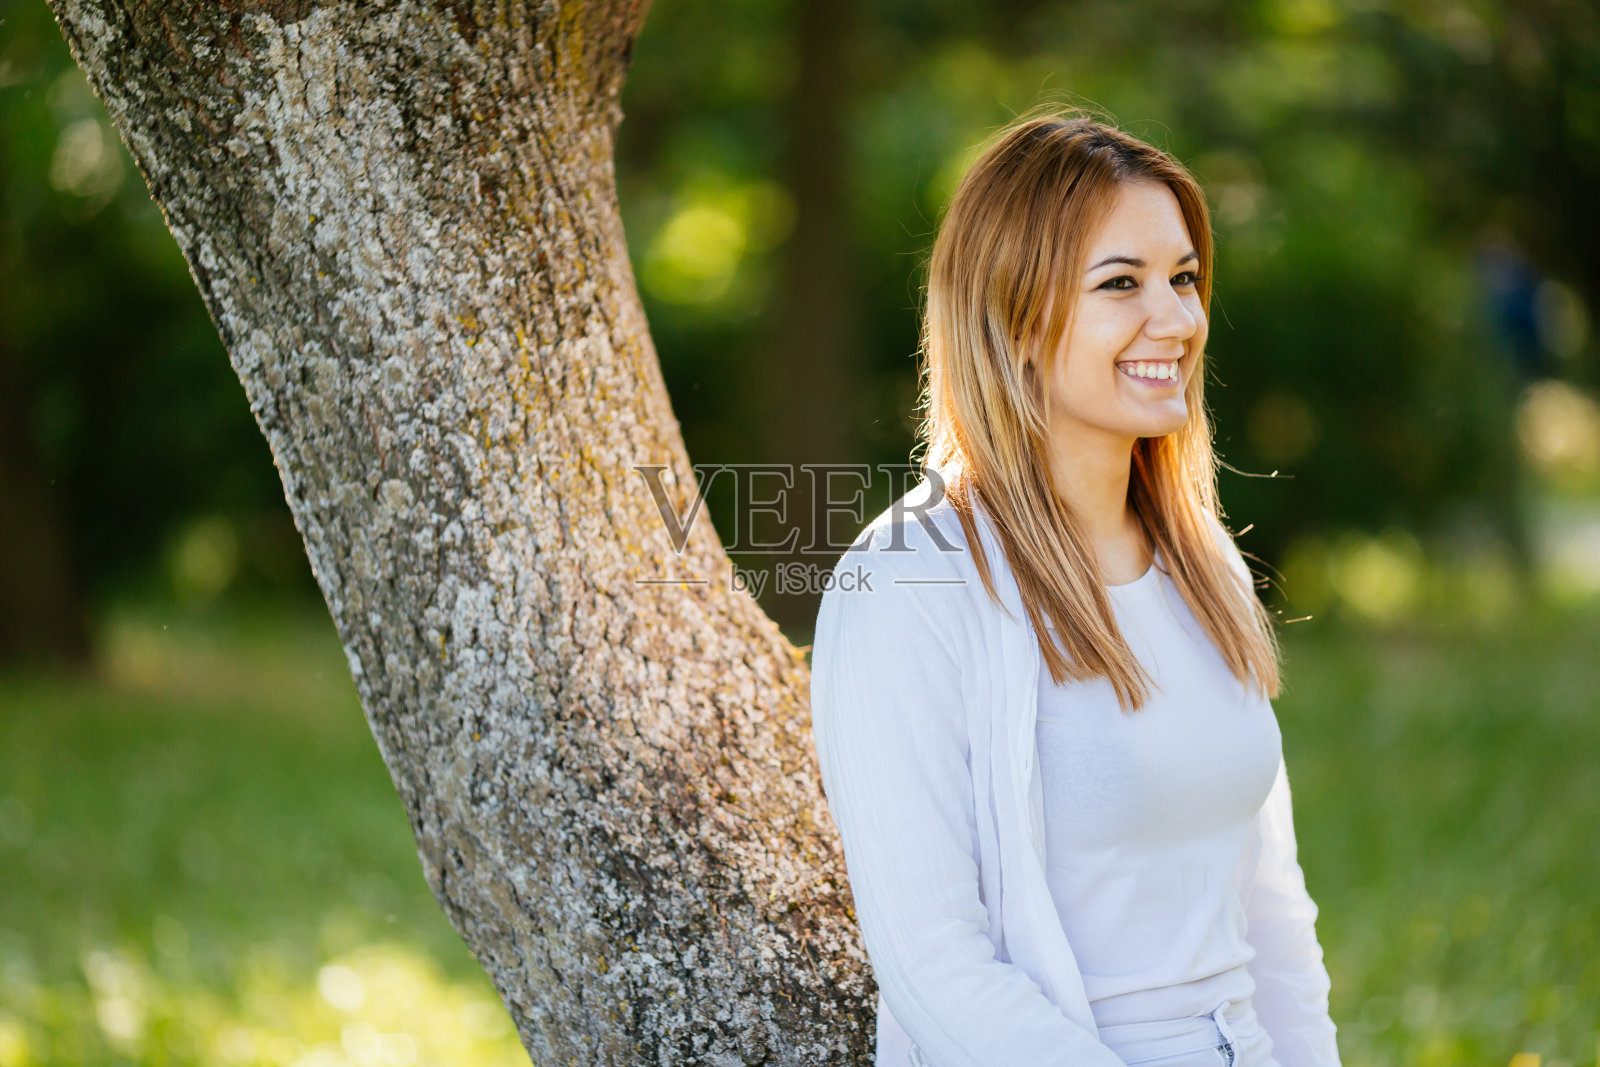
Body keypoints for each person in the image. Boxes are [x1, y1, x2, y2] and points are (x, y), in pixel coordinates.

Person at [808, 107, 1342, 1067]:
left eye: (1183, 277)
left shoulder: (1202, 563)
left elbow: (1271, 909)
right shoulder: (909, 582)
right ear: (1014, 318)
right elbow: (933, 965)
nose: (1176, 319)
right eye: (1121, 283)